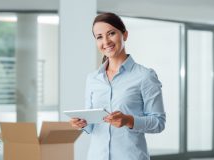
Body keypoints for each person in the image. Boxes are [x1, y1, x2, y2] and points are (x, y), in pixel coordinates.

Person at [69, 12, 166, 160]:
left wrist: (129, 120)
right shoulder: (92, 79)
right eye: (99, 37)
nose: (106, 41)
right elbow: (92, 125)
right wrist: (82, 123)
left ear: (125, 35)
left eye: (111, 33)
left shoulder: (145, 76)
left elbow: (158, 123)